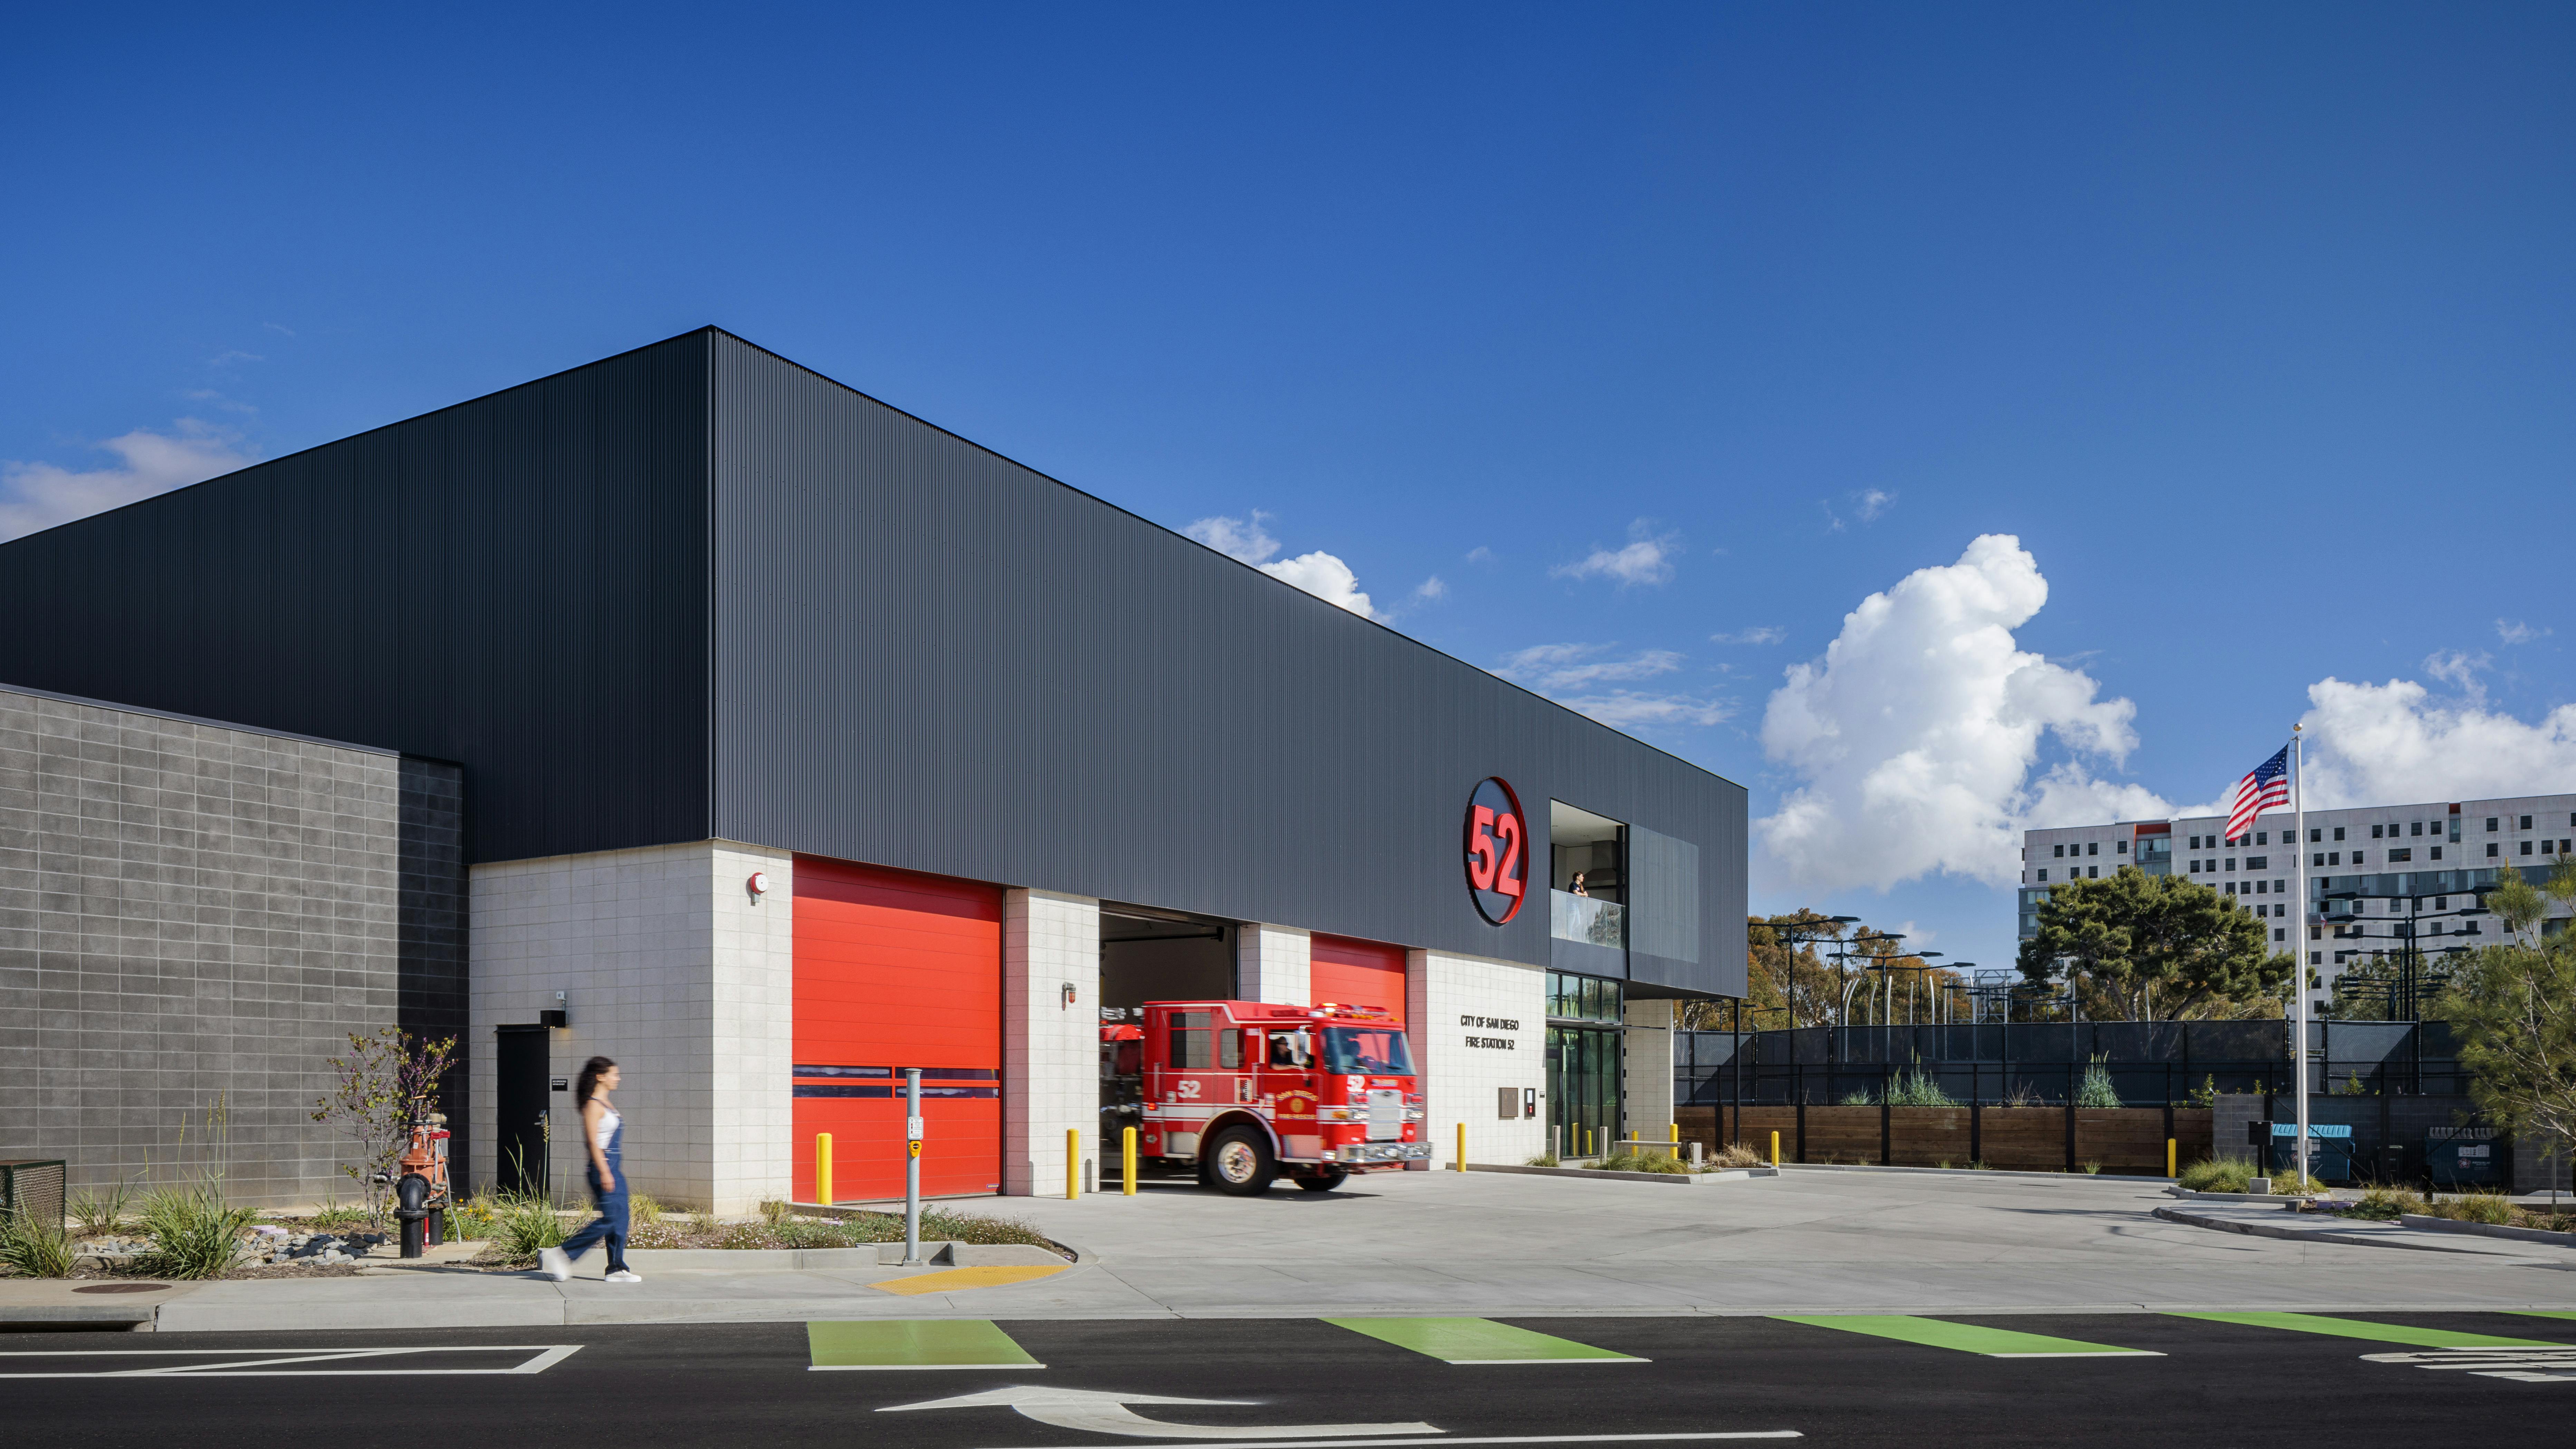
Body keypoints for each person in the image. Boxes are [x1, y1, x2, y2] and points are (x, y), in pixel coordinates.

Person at [540, 1056, 640, 1284]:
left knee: (621, 1219)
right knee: (611, 1218)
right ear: (600, 1076)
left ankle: (616, 1268)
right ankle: (563, 1253)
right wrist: (605, 1171)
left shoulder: (606, 1103)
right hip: (602, 1166)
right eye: (615, 1074)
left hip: (614, 1167)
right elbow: (592, 1142)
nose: (618, 1078)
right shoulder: (593, 1105)